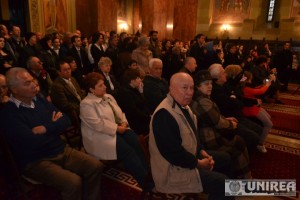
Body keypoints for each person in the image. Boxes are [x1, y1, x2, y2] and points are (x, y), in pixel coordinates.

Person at [0, 67, 103, 200]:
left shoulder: (40, 100)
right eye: (27, 83)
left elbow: (66, 120)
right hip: (36, 160)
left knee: (95, 166)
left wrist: (45, 128)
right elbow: (31, 143)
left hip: (60, 149)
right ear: (14, 90)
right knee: (73, 182)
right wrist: (54, 126)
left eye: (32, 81)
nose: (33, 85)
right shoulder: (8, 114)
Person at [149, 72, 232, 199]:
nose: (189, 92)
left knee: (226, 158)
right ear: (171, 89)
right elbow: (173, 154)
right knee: (222, 183)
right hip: (172, 171)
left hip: (189, 156)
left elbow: (193, 135)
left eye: (192, 88)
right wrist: (198, 163)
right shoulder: (164, 115)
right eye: (184, 88)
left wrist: (202, 151)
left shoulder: (184, 106)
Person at [80, 72, 152, 191]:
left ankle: (148, 173)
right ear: (91, 90)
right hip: (100, 136)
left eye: (104, 84)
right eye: (100, 85)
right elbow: (98, 125)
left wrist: (123, 122)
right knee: (127, 151)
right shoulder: (86, 104)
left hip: (117, 128)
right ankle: (146, 183)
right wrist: (117, 128)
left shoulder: (108, 97)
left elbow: (120, 112)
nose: (105, 87)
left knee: (136, 141)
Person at [191, 70, 251, 178]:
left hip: (209, 133)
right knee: (238, 143)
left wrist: (226, 119)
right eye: (206, 84)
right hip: (209, 139)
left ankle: (241, 175)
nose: (210, 86)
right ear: (198, 87)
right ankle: (245, 178)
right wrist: (231, 124)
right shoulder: (202, 101)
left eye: (210, 83)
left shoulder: (202, 98)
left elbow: (214, 117)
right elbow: (217, 122)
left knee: (239, 141)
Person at [242, 71, 273, 153]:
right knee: (269, 124)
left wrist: (263, 85)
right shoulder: (244, 88)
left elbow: (254, 89)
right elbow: (259, 92)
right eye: (250, 79)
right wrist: (267, 85)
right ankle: (260, 144)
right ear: (247, 79)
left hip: (254, 107)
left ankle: (261, 135)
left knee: (268, 118)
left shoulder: (244, 86)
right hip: (250, 109)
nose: (251, 80)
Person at [116, 69, 151, 135]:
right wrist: (148, 118)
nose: (140, 80)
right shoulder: (125, 92)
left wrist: (141, 92)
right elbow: (134, 111)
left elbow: (143, 105)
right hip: (135, 123)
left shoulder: (134, 89)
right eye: (138, 78)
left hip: (142, 119)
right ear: (131, 80)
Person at [50, 60, 84, 124]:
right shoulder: (57, 86)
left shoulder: (73, 79)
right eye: (65, 70)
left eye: (69, 69)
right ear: (59, 72)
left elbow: (79, 94)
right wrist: (82, 106)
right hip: (71, 112)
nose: (68, 71)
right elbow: (65, 105)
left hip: (81, 106)